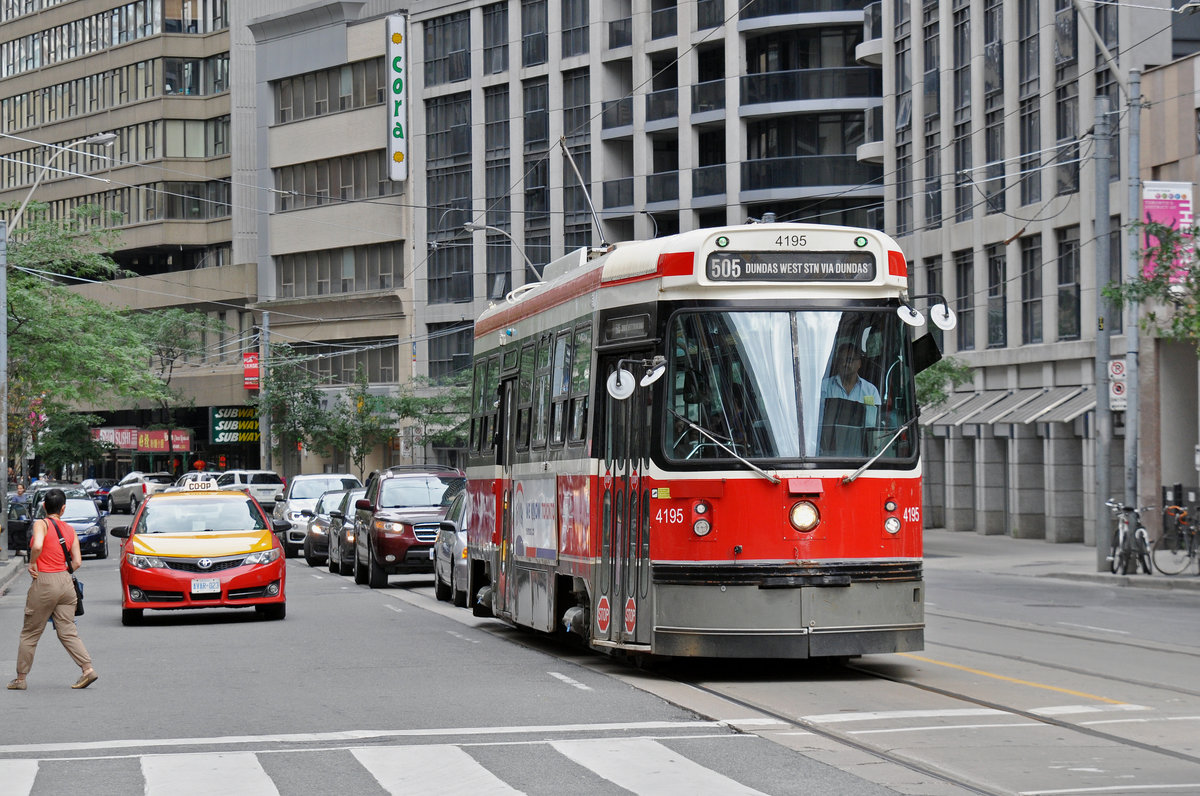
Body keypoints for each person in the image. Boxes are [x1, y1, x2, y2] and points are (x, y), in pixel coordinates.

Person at [8, 488, 98, 691]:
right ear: (63, 509)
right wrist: (62, 573)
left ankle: (21, 679)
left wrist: (32, 563)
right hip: (66, 583)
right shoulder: (69, 530)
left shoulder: (41, 523)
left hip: (45, 582)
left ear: (43, 506)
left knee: (30, 632)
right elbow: (77, 562)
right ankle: (87, 669)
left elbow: (38, 545)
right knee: (68, 631)